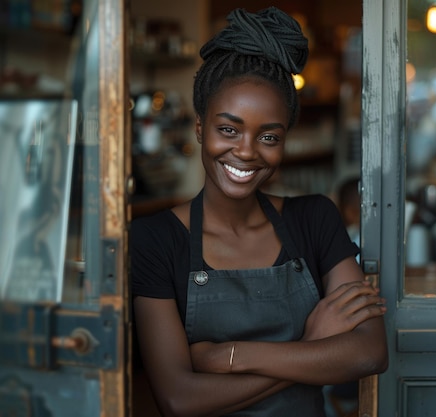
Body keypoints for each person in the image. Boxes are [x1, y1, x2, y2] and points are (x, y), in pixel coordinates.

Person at [130, 7, 388, 417]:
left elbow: (369, 352)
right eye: (228, 130)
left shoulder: (314, 220)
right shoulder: (154, 240)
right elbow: (179, 399)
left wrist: (228, 356)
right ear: (200, 128)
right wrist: (308, 348)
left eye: (268, 136)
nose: (247, 151)